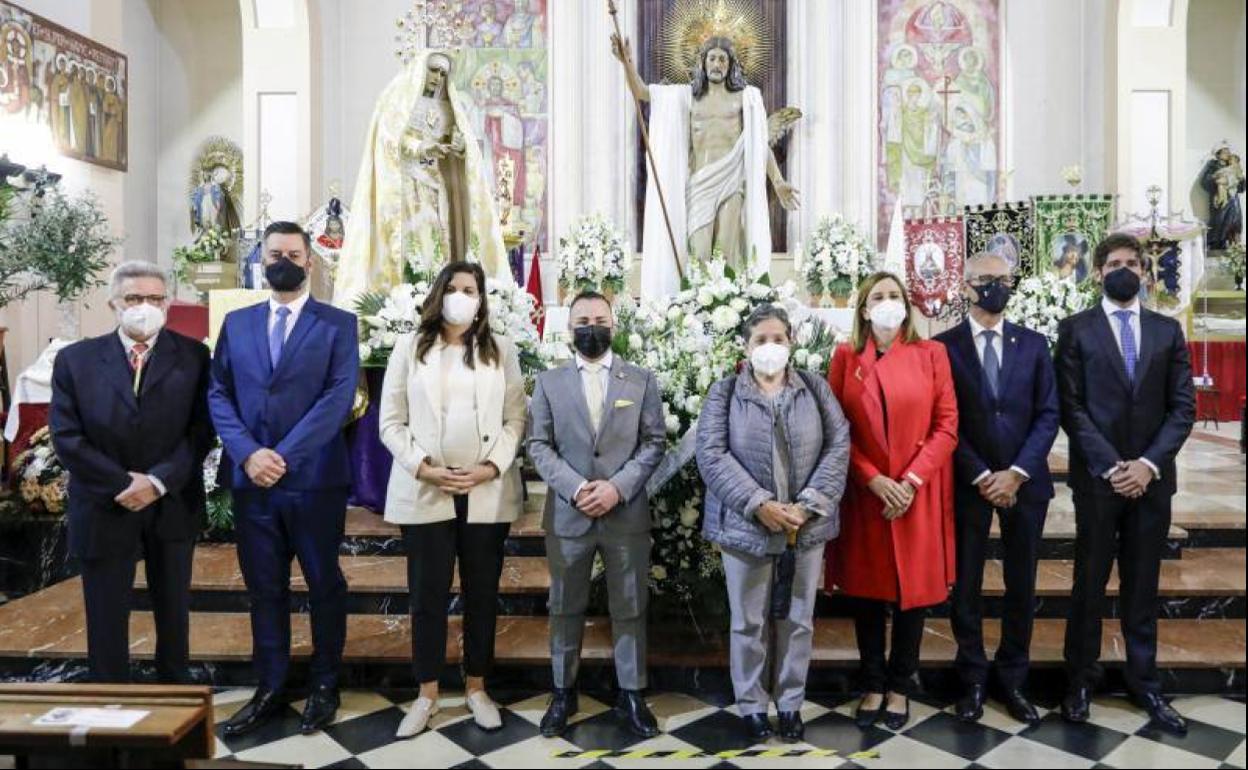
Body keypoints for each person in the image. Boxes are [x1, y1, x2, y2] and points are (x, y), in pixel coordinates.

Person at [208, 221, 360, 736]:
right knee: (265, 589)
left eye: (293, 254)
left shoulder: (339, 324)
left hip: (314, 480)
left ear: (310, 262)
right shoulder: (238, 323)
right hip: (253, 482)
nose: (284, 261)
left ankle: (324, 685)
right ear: (262, 259)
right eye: (275, 253)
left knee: (324, 585)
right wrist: (250, 454)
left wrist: (282, 457)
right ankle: (270, 686)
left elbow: (337, 399)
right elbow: (218, 394)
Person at [378, 261, 527, 737]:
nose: (462, 296)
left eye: (471, 289)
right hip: (427, 488)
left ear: (482, 299)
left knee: (482, 594)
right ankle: (426, 693)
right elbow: (390, 421)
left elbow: (515, 420)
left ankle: (477, 687)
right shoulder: (410, 346)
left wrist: (489, 467)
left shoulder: (500, 349)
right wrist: (425, 467)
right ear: (439, 294)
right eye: (454, 288)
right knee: (427, 595)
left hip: (485, 490)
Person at [1057, 233, 1195, 735]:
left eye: (1133, 263)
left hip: (1152, 484)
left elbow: (1183, 407)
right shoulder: (1075, 329)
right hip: (1098, 481)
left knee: (1142, 587)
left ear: (1145, 271)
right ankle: (1079, 681)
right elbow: (1070, 407)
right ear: (1098, 272)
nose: (1124, 270)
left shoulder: (1166, 331)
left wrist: (1148, 466)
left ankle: (1145, 683)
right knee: (1088, 586)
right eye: (1114, 262)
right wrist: (1114, 465)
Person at [49, 262, 212, 684]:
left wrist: (157, 482)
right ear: (113, 304)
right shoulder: (76, 360)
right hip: (105, 503)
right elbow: (67, 437)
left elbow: (200, 431)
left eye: (156, 299)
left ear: (169, 303)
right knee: (105, 612)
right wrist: (123, 484)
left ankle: (175, 696)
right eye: (134, 299)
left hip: (171, 501)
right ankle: (110, 699)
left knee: (174, 609)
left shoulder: (194, 356)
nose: (145, 307)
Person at [696, 304, 850, 743]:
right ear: (745, 348)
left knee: (798, 619)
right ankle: (751, 705)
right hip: (745, 527)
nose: (770, 347)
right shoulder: (724, 392)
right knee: (748, 621)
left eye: (778, 339)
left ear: (791, 342)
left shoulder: (815, 389)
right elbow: (711, 454)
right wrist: (758, 503)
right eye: (761, 340)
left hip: (807, 527)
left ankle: (790, 703)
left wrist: (808, 505)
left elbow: (839, 444)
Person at [526, 291, 667, 739]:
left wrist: (616, 488)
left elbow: (653, 443)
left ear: (614, 325)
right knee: (565, 607)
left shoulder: (640, 380)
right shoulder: (549, 382)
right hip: (570, 514)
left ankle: (631, 691)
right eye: (583, 319)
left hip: (624, 512)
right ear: (569, 328)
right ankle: (562, 692)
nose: (592, 326)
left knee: (629, 605)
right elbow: (537, 446)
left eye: (600, 319)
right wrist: (576, 488)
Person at [825, 271, 958, 731]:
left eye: (894, 295)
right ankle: (873, 682)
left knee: (911, 596)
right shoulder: (845, 357)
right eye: (877, 297)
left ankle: (901, 684)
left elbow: (947, 425)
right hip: (869, 496)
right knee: (866, 594)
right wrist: (873, 479)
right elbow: (837, 428)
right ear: (863, 309)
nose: (887, 302)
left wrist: (912, 479)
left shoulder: (931, 353)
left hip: (916, 494)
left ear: (907, 305)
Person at [933, 253, 1059, 725]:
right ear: (966, 286)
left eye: (1004, 280)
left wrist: (1018, 472)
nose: (997, 288)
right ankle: (972, 679)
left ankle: (1013, 679)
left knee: (1020, 585)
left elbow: (1049, 413)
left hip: (1025, 484)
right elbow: (944, 419)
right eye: (986, 280)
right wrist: (982, 474)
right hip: (969, 483)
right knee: (965, 584)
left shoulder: (1034, 343)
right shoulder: (943, 347)